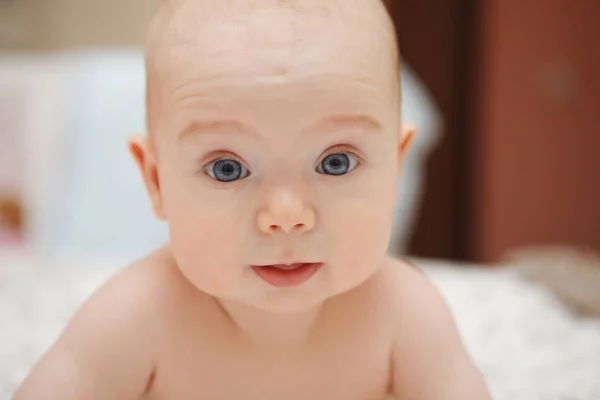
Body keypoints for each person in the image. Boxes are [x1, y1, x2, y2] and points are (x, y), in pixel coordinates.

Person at [14, 0, 491, 398]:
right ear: (157, 183)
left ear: (395, 169)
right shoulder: (136, 317)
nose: (286, 217)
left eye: (336, 163)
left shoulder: (405, 313)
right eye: (228, 168)